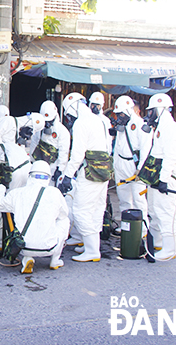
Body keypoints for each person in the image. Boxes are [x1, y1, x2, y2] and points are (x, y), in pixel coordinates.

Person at [58, 92, 113, 262]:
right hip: (104, 171)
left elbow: (77, 154)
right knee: (96, 209)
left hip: (89, 172)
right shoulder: (99, 119)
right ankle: (92, 245)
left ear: (73, 107)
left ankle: (91, 250)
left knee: (81, 210)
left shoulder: (82, 122)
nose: (69, 118)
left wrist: (67, 176)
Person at [0, 160, 69, 273]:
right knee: (64, 220)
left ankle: (27, 259)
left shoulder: (17, 193)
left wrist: (1, 187)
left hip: (21, 248)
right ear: (48, 177)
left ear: (30, 176)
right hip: (49, 247)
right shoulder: (55, 193)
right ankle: (55, 260)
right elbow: (63, 214)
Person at [139, 93, 176, 260]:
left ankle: (170, 249)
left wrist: (164, 180)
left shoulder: (171, 129)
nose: (149, 115)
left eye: (151, 111)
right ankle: (157, 243)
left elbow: (170, 156)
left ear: (160, 109)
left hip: (166, 177)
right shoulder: (161, 128)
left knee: (166, 212)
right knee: (155, 210)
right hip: (157, 177)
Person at [0, 112, 31, 245]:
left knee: (1, 204)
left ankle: (1, 241)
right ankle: (19, 234)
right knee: (19, 204)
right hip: (27, 173)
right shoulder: (15, 146)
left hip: (13, 176)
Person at [112, 95, 151, 235]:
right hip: (121, 165)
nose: (119, 117)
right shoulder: (122, 126)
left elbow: (146, 149)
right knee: (123, 198)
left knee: (139, 199)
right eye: (118, 115)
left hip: (134, 166)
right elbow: (117, 147)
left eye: (121, 114)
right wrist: (115, 165)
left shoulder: (140, 125)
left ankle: (143, 228)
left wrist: (141, 169)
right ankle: (126, 225)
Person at [30, 100, 71, 185]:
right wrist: (31, 161)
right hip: (38, 166)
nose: (47, 124)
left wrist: (60, 169)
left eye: (49, 122)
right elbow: (34, 144)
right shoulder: (39, 129)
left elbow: (64, 152)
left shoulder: (62, 131)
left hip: (52, 168)